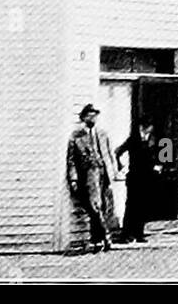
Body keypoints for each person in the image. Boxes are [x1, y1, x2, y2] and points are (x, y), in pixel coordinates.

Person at [66, 104, 116, 253]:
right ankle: (106, 237)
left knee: (103, 207)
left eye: (95, 115)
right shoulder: (76, 137)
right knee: (95, 206)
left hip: (103, 173)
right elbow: (71, 160)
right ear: (83, 118)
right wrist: (73, 179)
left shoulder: (103, 134)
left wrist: (113, 172)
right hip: (89, 174)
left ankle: (96, 240)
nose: (93, 118)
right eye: (90, 115)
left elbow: (109, 153)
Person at [114, 117, 161, 244]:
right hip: (134, 177)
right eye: (145, 128)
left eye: (149, 128)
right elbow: (118, 152)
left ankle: (139, 234)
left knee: (143, 206)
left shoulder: (154, 139)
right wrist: (120, 166)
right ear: (141, 127)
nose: (147, 131)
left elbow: (162, 154)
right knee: (131, 206)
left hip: (148, 177)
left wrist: (159, 165)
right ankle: (125, 235)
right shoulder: (133, 139)